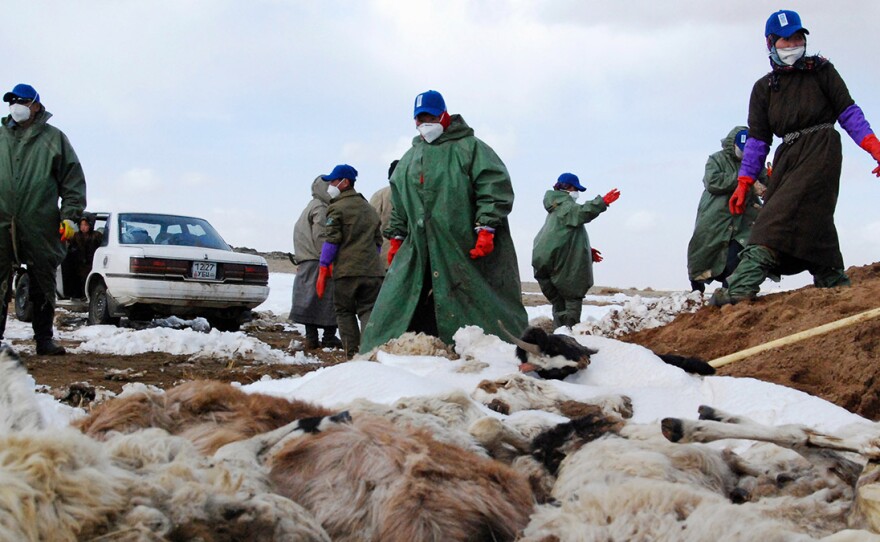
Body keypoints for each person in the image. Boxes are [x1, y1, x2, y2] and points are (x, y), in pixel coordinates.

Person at [711, 10, 880, 306]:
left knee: (776, 219)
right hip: (787, 156)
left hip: (822, 149)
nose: (792, 45)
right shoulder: (764, 89)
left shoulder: (822, 72)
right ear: (770, 43)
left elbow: (849, 113)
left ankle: (740, 286)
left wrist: (874, 147)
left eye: (797, 38)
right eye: (785, 40)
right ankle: (830, 276)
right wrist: (744, 182)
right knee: (809, 217)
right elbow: (758, 140)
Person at [360, 90, 528, 352]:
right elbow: (400, 205)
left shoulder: (471, 149)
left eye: (429, 116)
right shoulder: (408, 160)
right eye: (419, 118)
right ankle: (388, 357)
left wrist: (486, 228)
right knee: (400, 302)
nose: (423, 123)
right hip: (420, 250)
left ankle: (496, 353)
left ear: (444, 115)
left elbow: (493, 187)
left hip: (464, 246)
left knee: (479, 303)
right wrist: (396, 239)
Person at [0, 84, 86, 355]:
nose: (17, 106)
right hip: (1, 223)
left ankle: (44, 340)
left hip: (41, 224)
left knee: (42, 281)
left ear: (36, 105)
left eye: (23, 101)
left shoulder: (54, 139)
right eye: (12, 101)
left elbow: (72, 182)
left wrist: (71, 217)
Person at [532, 173, 620, 329]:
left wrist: (584, 250)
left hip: (545, 261)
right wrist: (602, 202)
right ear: (566, 188)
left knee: (559, 305)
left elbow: (561, 235)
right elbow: (580, 213)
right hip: (561, 265)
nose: (576, 193)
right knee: (572, 300)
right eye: (575, 189)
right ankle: (570, 336)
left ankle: (559, 336)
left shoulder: (555, 208)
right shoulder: (565, 205)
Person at [687, 127, 768, 293]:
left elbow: (767, 181)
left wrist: (772, 181)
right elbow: (713, 181)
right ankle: (697, 289)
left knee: (738, 256)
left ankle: (730, 291)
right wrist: (745, 182)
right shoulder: (716, 159)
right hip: (716, 215)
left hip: (744, 218)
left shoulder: (755, 163)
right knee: (704, 251)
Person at [316, 164, 384, 358]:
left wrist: (323, 267)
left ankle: (352, 355)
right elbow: (378, 242)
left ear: (345, 182)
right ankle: (371, 351)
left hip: (347, 272)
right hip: (373, 272)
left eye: (333, 181)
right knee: (368, 309)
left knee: (344, 311)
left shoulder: (337, 208)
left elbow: (332, 240)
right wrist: (369, 261)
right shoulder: (369, 209)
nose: (330, 184)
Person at [288, 176, 342, 350]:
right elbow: (321, 236)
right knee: (329, 300)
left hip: (306, 261)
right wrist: (328, 258)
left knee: (309, 302)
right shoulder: (321, 208)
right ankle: (328, 337)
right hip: (318, 262)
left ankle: (312, 338)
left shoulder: (311, 206)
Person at [64, 212, 103, 299]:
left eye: (85, 225)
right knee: (77, 279)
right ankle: (78, 295)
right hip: (79, 264)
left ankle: (88, 295)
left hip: (92, 263)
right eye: (81, 225)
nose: (83, 227)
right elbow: (70, 248)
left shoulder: (96, 236)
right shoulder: (76, 236)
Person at [369, 160, 397, 271]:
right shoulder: (411, 193)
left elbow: (371, 224)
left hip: (384, 252)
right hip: (408, 251)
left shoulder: (379, 195)